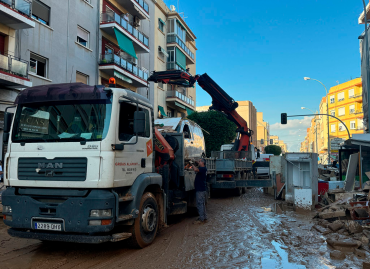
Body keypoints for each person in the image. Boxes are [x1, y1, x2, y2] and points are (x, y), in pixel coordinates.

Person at [191, 158, 208, 224]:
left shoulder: (202, 169)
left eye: (200, 161)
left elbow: (195, 169)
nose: (199, 162)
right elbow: (198, 164)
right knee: (202, 204)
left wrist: (192, 164)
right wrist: (195, 161)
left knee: (199, 204)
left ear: (202, 163)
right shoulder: (204, 168)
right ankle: (204, 217)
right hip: (202, 189)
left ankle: (201, 219)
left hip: (200, 189)